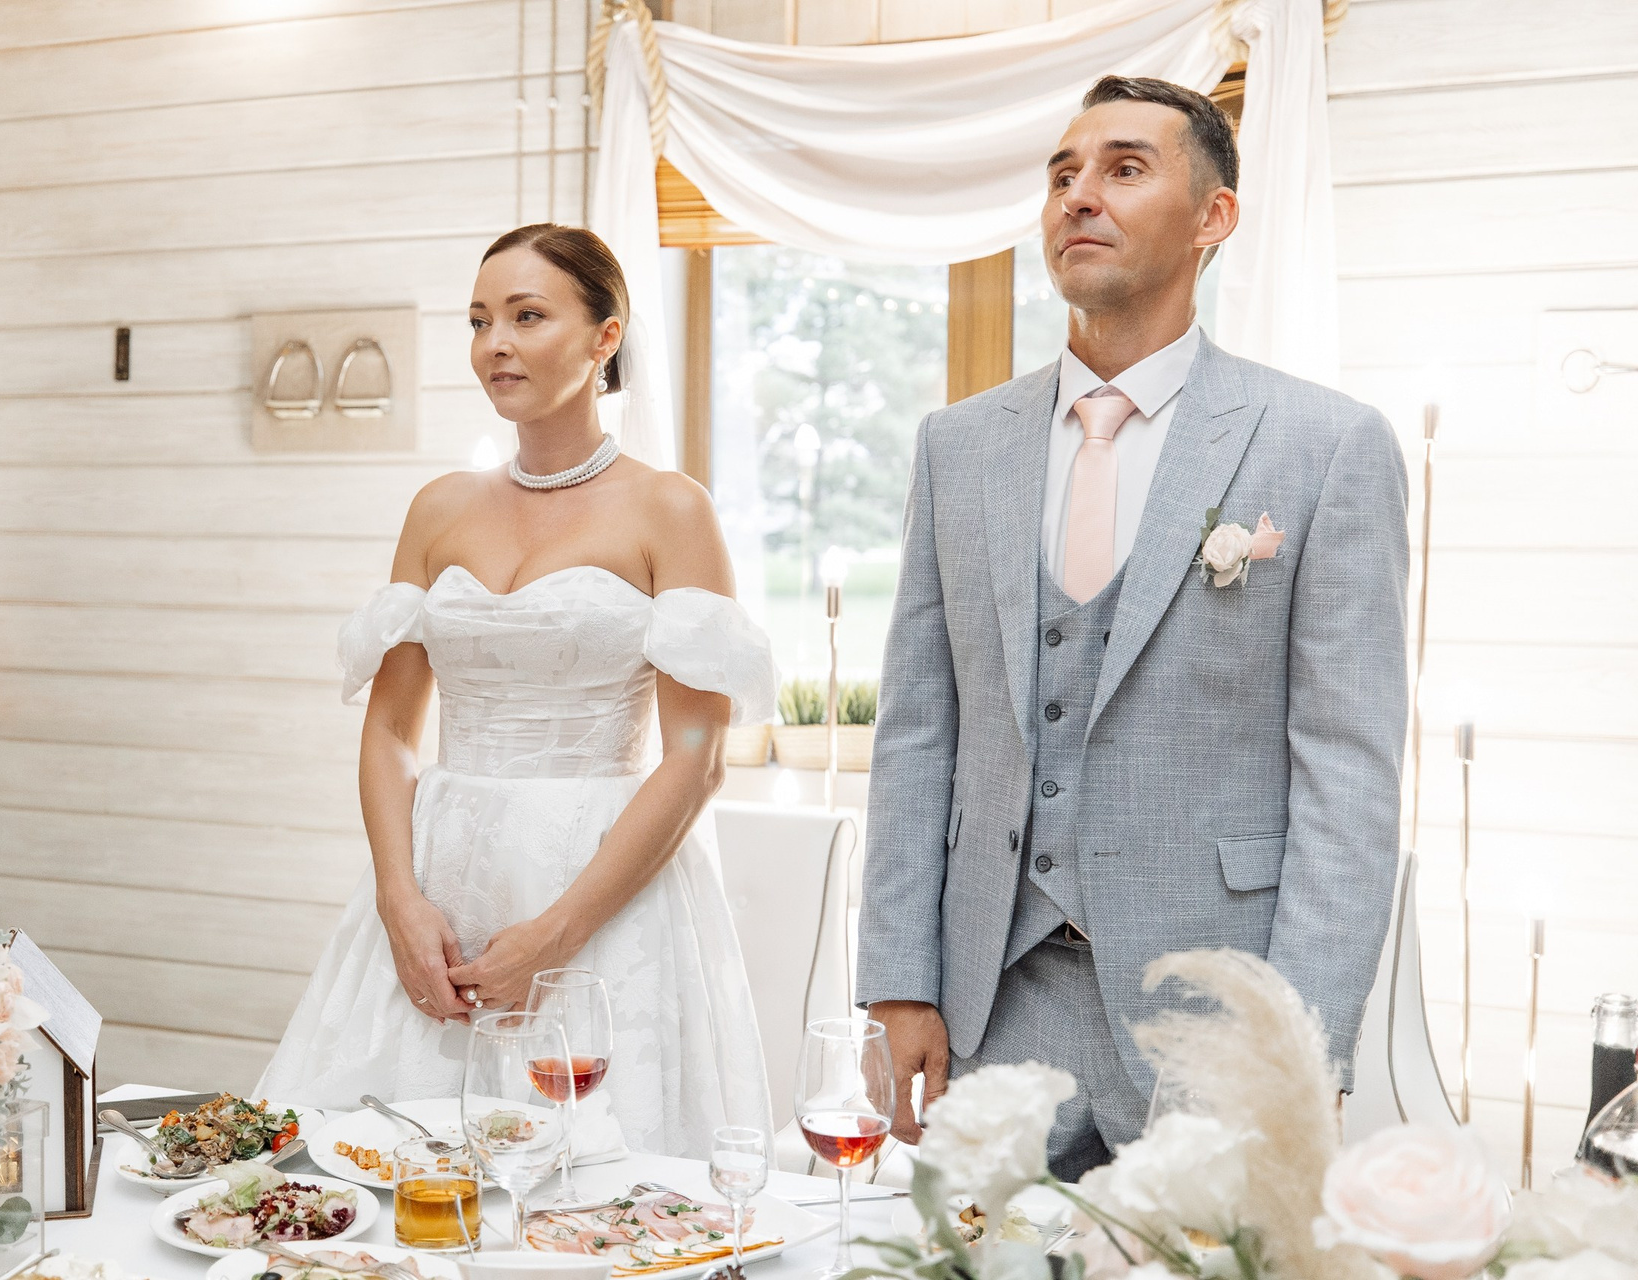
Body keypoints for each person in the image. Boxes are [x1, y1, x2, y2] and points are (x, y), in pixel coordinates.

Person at [855, 75, 1409, 1179]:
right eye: (1062, 174)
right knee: (970, 1255)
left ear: (1213, 217)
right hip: (989, 1004)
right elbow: (917, 730)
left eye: (1123, 169)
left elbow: (1348, 776)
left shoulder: (1326, 444)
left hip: (1219, 1023)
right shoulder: (957, 446)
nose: (1079, 195)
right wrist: (899, 981)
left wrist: (1299, 1048)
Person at [259, 224, 774, 1157]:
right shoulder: (439, 508)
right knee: (390, 1165)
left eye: (528, 317)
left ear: (605, 337)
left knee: (587, 1179)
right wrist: (399, 901)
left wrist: (557, 934)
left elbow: (697, 759)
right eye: (479, 320)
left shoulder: (670, 509)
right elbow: (391, 732)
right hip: (440, 880)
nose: (495, 344)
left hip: (601, 888)